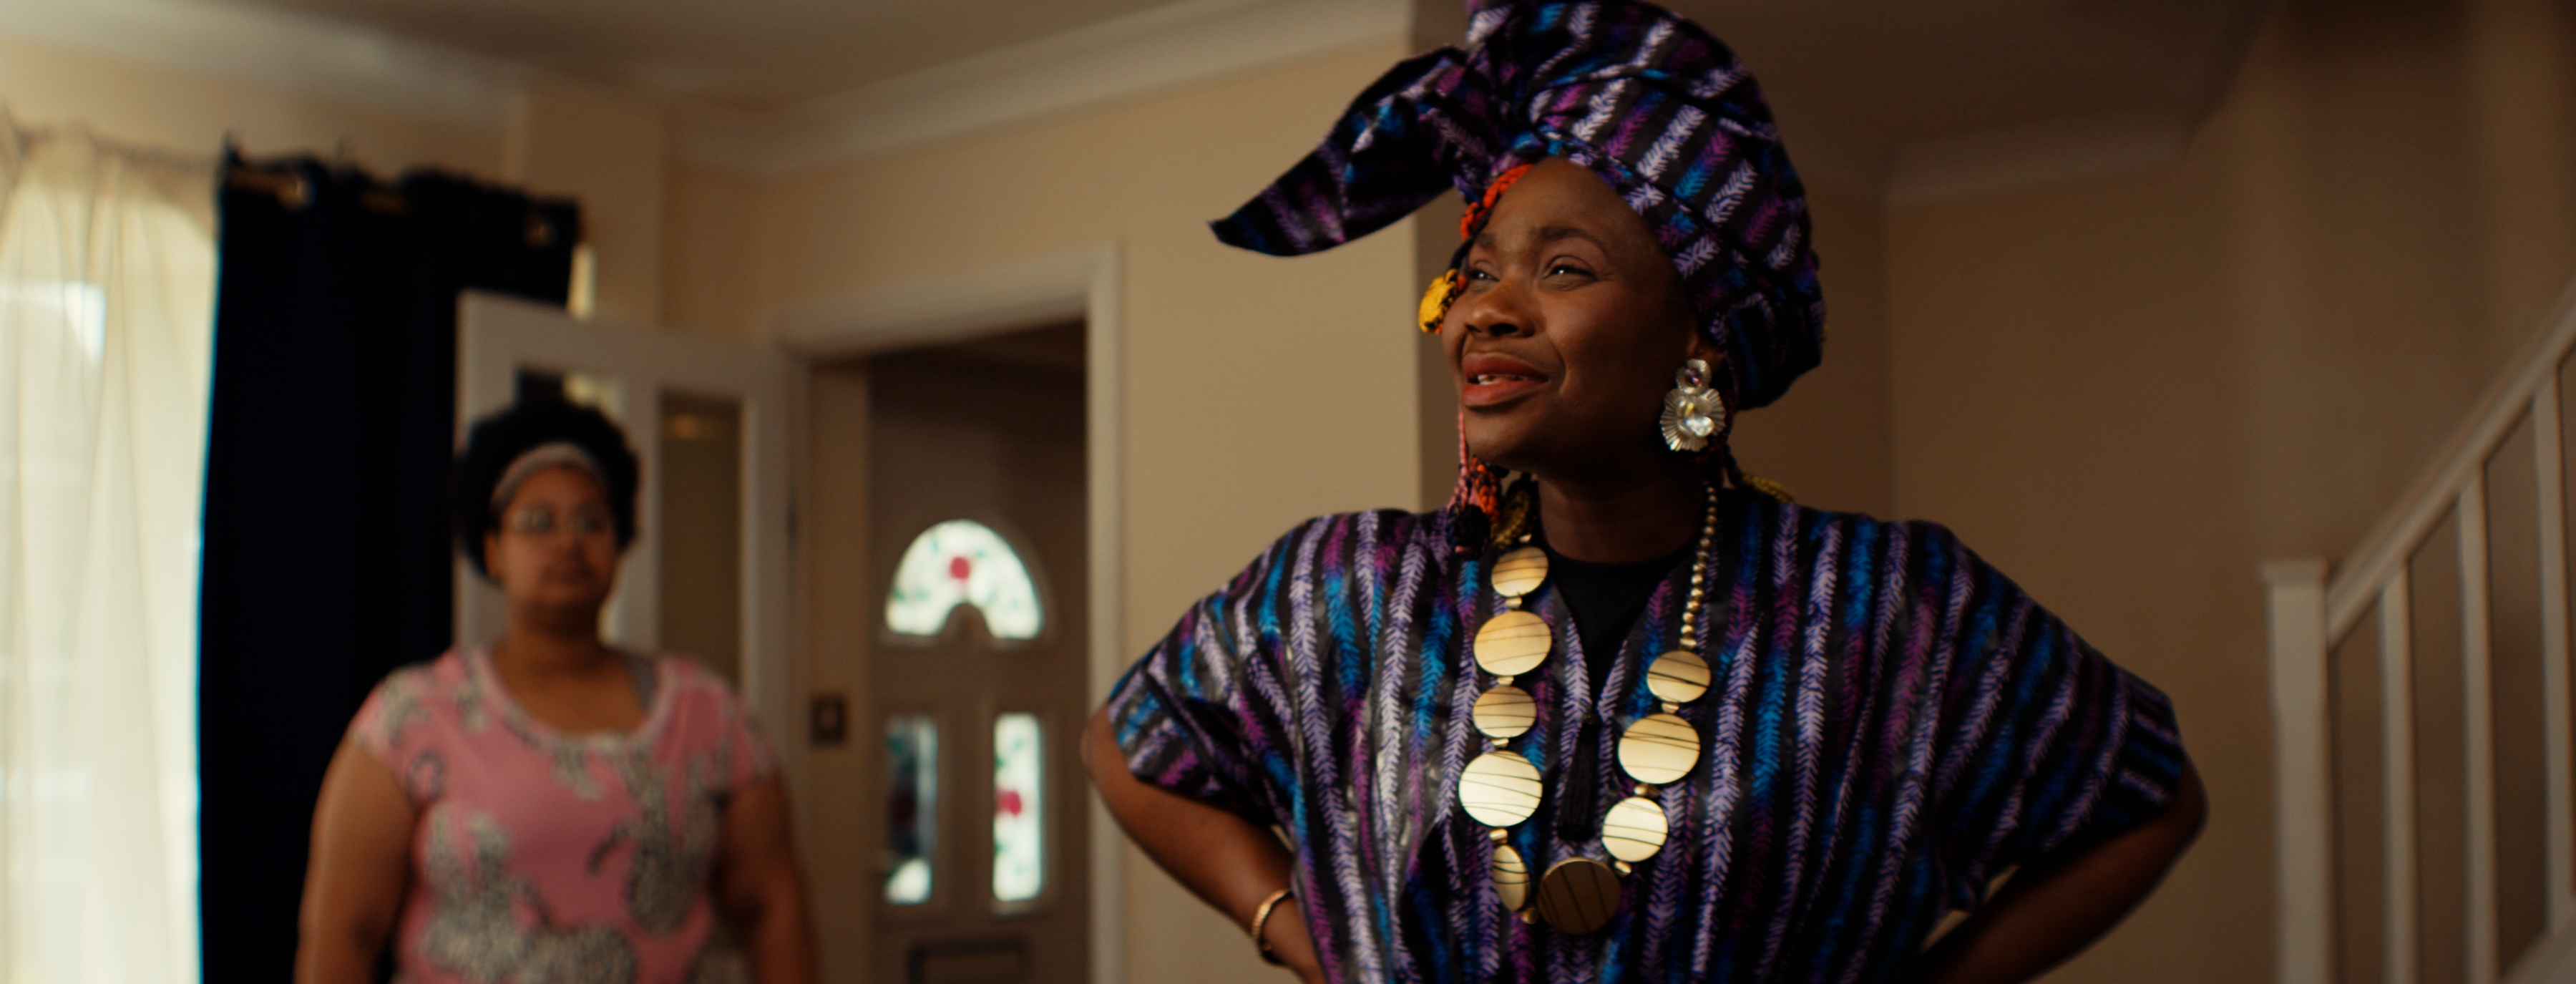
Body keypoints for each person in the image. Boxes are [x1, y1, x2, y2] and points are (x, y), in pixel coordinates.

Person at [1083, 2, 2205, 983]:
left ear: (1701, 337)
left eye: (1563, 269)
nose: (1484, 309)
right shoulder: (1344, 589)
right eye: (1477, 271)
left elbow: (2145, 793)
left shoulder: (1891, 608)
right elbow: (1128, 745)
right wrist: (1298, 935)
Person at [296, 399, 814, 984]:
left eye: (592, 522)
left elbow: (772, 906)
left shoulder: (709, 712)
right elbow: (343, 934)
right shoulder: (411, 716)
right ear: (493, 550)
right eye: (538, 522)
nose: (569, 542)